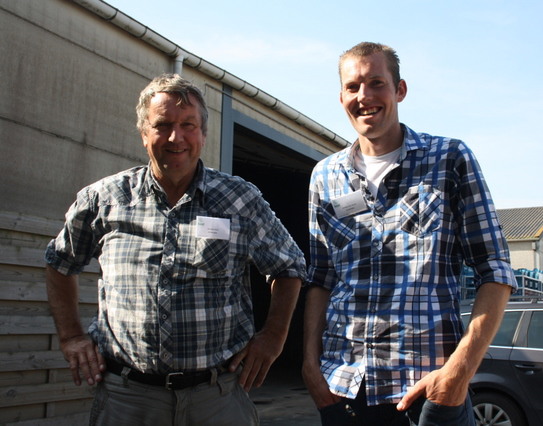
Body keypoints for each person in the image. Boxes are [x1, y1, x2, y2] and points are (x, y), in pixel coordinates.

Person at [45, 73, 306, 426]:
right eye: (163, 125)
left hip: (217, 399)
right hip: (127, 399)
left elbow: (289, 266)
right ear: (144, 133)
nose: (175, 137)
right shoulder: (103, 200)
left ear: (203, 134)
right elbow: (59, 262)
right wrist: (71, 337)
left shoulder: (239, 200)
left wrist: (273, 337)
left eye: (188, 125)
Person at [303, 42, 517, 426]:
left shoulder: (449, 159)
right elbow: (321, 278)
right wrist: (310, 366)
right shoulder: (325, 176)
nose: (364, 96)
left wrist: (457, 374)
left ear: (400, 90)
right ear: (341, 97)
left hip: (426, 393)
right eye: (352, 87)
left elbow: (495, 269)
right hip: (343, 389)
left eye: (376, 83)